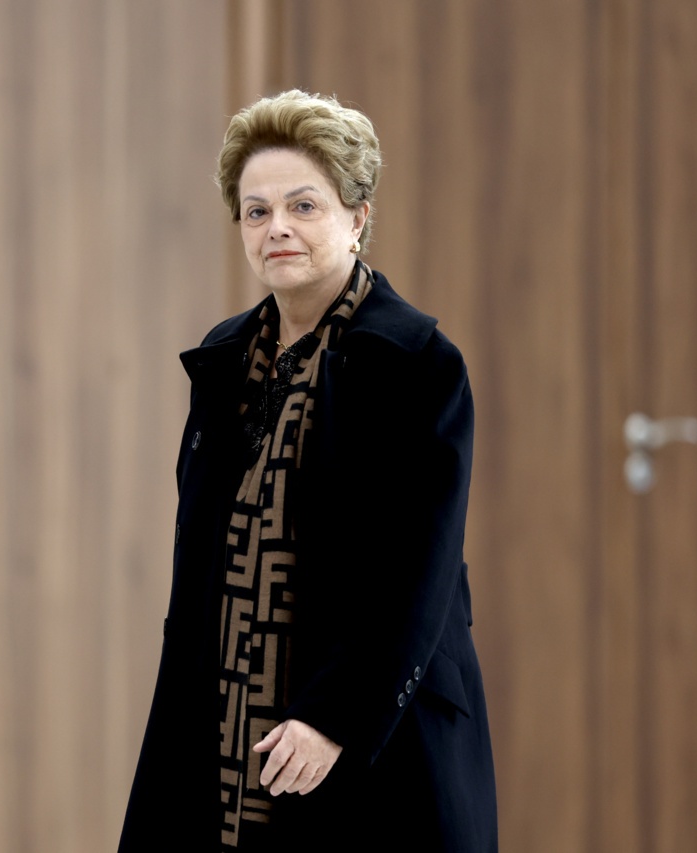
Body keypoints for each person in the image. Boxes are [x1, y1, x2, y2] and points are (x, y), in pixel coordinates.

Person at [118, 90, 498, 852]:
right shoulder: (224, 361)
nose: (277, 228)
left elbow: (416, 572)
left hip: (373, 729)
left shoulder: (417, 363)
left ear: (357, 217)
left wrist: (333, 717)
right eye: (256, 211)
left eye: (303, 205)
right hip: (228, 718)